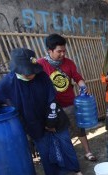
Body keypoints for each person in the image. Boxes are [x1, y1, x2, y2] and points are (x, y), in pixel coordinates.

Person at [0, 48, 87, 175]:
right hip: (33, 124)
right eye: (27, 72)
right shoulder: (8, 82)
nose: (31, 74)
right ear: (18, 70)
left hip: (54, 117)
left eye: (33, 70)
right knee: (45, 151)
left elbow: (51, 99)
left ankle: (78, 172)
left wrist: (51, 122)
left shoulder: (42, 76)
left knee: (65, 144)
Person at [37, 33, 97, 162]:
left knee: (79, 128)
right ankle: (61, 157)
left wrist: (83, 87)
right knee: (57, 133)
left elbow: (77, 77)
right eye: (59, 51)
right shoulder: (40, 65)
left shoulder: (68, 63)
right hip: (51, 108)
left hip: (69, 103)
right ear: (49, 50)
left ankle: (88, 151)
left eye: (64, 51)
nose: (63, 54)